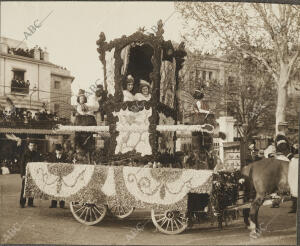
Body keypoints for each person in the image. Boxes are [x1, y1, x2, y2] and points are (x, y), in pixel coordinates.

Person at [20, 140, 43, 208]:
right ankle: (22, 203)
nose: (32, 147)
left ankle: (30, 203)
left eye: (33, 145)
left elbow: (39, 164)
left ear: (35, 146)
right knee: (24, 188)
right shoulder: (25, 154)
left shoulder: (37, 154)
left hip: (34, 174)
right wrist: (22, 174)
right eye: (31, 145)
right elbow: (22, 165)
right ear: (28, 146)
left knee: (32, 188)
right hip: (26, 174)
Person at [49, 144, 68, 208]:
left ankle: (62, 204)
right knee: (54, 189)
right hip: (54, 175)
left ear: (62, 151)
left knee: (62, 189)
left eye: (60, 150)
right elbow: (50, 165)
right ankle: (53, 204)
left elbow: (67, 165)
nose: (59, 152)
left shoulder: (65, 157)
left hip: (62, 176)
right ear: (55, 151)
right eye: (57, 150)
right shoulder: (52, 157)